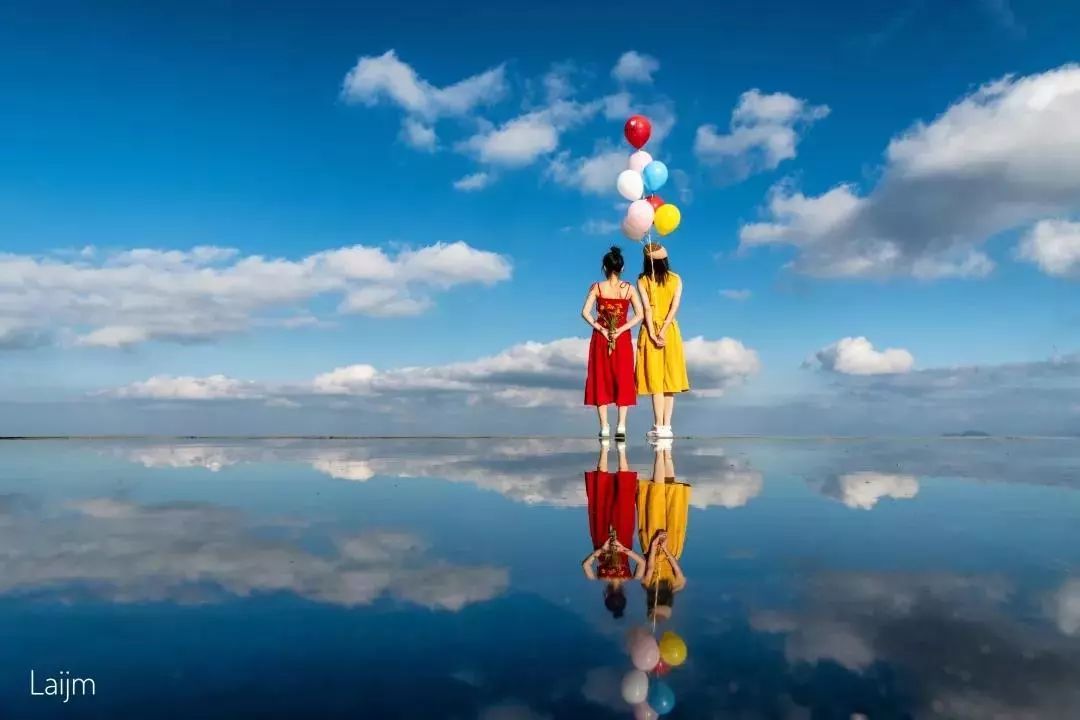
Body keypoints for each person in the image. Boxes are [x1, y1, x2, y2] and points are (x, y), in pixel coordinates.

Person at [582, 246, 644, 441]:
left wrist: (601, 328)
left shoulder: (597, 288)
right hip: (621, 337)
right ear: (622, 268)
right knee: (623, 377)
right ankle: (621, 426)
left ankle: (604, 427)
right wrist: (621, 329)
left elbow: (584, 312)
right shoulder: (629, 289)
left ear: (604, 267)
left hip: (601, 337)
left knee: (601, 377)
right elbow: (640, 315)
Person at [582, 441, 646, 619]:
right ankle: (607, 448)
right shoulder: (603, 579)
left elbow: (642, 564)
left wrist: (603, 550)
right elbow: (642, 564)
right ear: (607, 596)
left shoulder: (626, 580)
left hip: (607, 540)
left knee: (615, 499)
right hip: (617, 540)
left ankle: (618, 449)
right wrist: (621, 550)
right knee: (606, 498)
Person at [636, 243, 690, 439]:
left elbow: (646, 309)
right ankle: (667, 426)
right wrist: (664, 330)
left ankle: (658, 425)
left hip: (650, 330)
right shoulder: (676, 279)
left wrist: (652, 332)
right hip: (671, 331)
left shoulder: (642, 280)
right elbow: (674, 307)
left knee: (655, 380)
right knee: (669, 381)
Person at [638, 440, 689, 622]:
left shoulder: (678, 585)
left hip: (673, 547)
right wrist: (656, 545)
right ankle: (660, 451)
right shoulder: (646, 586)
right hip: (656, 546)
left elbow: (677, 569)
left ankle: (666, 451)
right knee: (657, 497)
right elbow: (650, 566)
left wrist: (666, 549)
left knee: (671, 497)